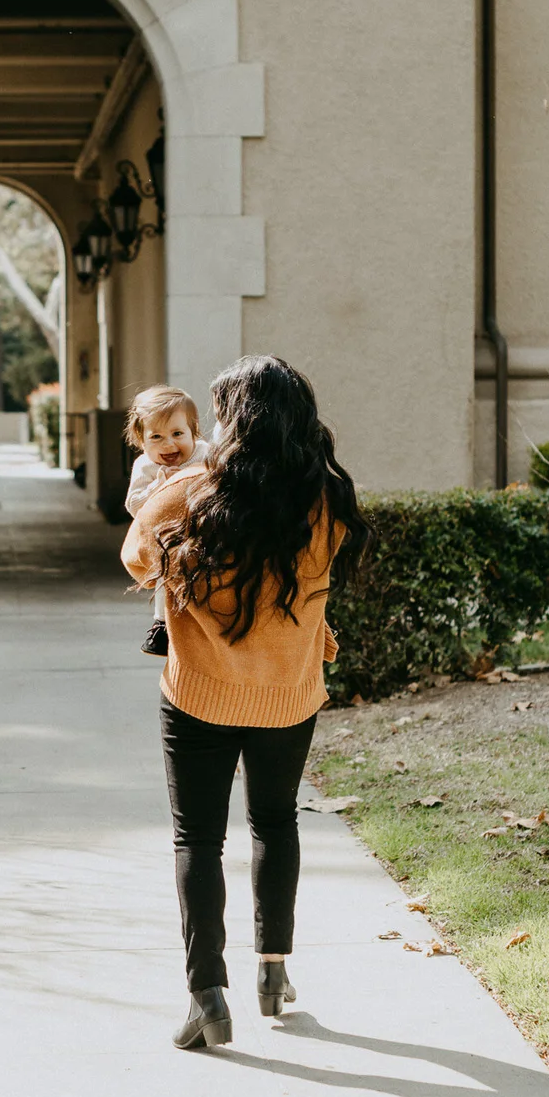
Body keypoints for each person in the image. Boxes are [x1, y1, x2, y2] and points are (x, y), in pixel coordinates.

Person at [121, 355, 370, 1050]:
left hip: (198, 692)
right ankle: (273, 972)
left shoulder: (191, 489)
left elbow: (137, 558)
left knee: (198, 839)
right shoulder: (326, 497)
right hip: (289, 695)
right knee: (276, 822)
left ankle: (207, 996)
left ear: (235, 420)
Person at [123, 386, 212, 657]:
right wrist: (159, 487)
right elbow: (134, 505)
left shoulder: (205, 454)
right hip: (167, 536)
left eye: (177, 434)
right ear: (141, 441)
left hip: (203, 529)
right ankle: (162, 624)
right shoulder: (146, 466)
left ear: (193, 431)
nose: (168, 444)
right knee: (167, 572)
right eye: (156, 437)